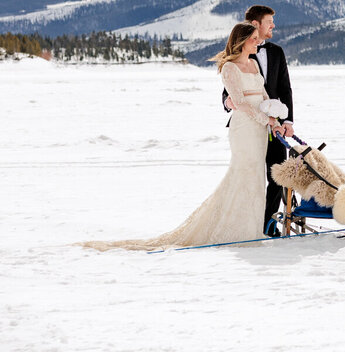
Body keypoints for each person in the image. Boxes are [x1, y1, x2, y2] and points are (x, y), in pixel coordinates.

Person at [82, 22, 286, 251]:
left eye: (258, 38)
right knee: (244, 174)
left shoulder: (254, 64)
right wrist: (264, 119)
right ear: (241, 41)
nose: (258, 41)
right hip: (244, 129)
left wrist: (275, 119)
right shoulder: (230, 68)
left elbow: (264, 95)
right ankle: (236, 230)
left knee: (257, 177)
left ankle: (250, 228)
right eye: (253, 38)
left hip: (259, 130)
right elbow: (238, 103)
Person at [223, 5, 294, 236]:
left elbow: (284, 88)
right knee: (249, 174)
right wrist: (228, 103)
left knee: (276, 176)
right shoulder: (233, 61)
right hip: (247, 125)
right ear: (255, 24)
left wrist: (286, 122)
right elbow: (230, 92)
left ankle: (267, 225)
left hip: (272, 125)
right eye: (269, 22)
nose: (273, 26)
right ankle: (243, 224)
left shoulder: (276, 52)